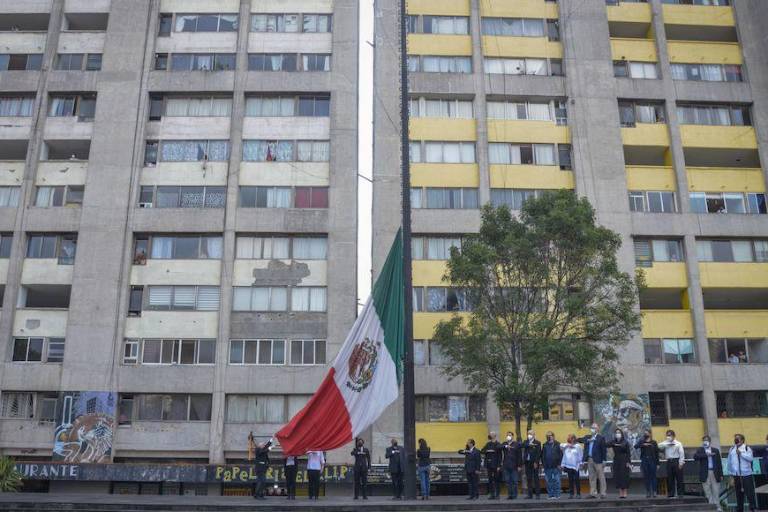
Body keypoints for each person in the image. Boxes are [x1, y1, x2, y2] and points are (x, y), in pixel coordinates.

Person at [728, 434, 757, 512]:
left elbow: (750, 458)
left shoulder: (747, 448)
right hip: (736, 475)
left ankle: (753, 508)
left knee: (749, 492)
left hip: (746, 474)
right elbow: (730, 462)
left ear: (742, 440)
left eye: (738, 438)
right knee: (738, 493)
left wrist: (741, 454)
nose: (736, 440)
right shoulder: (732, 449)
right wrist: (731, 475)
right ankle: (740, 509)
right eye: (735, 438)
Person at [694, 435, 722, 512]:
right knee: (707, 491)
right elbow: (695, 457)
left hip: (714, 472)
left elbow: (719, 463)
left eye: (707, 440)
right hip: (705, 473)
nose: (705, 441)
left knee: (716, 491)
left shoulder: (715, 450)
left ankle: (717, 507)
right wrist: (706, 455)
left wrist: (721, 474)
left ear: (710, 441)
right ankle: (711, 507)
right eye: (704, 440)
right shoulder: (700, 450)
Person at [579, 423, 607, 499]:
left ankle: (603, 493)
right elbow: (579, 440)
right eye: (592, 427)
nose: (593, 429)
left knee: (601, 476)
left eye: (594, 428)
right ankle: (593, 493)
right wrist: (588, 440)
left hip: (598, 460)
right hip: (589, 459)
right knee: (591, 477)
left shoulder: (601, 438)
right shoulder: (588, 437)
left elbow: (604, 450)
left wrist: (604, 460)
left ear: (598, 429)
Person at [658, 429, 685, 499]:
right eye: (667, 435)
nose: (668, 437)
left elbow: (681, 453)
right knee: (670, 478)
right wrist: (667, 444)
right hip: (669, 461)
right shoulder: (665, 443)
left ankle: (680, 493)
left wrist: (681, 463)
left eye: (670, 435)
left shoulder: (678, 443)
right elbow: (658, 446)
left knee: (679, 478)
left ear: (673, 436)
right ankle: (671, 494)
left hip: (676, 461)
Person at [634, 430, 659, 498]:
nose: (646, 434)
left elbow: (657, 453)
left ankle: (654, 491)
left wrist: (658, 463)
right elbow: (635, 446)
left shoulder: (654, 442)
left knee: (653, 476)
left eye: (647, 433)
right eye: (645, 433)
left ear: (650, 434)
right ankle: (648, 491)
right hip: (644, 460)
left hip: (652, 460)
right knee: (646, 477)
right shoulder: (642, 441)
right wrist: (643, 444)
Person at [607, 428, 631, 499]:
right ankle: (620, 492)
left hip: (624, 460)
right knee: (618, 476)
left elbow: (628, 453)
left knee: (624, 476)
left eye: (619, 433)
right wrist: (612, 443)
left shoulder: (625, 442)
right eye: (616, 433)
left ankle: (625, 492)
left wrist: (628, 462)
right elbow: (606, 444)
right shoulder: (613, 441)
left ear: (621, 434)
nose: (618, 434)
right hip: (616, 460)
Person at [561, 434, 583, 499]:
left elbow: (581, 455)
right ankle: (571, 494)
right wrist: (568, 445)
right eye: (570, 438)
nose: (571, 440)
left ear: (574, 439)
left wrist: (581, 463)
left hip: (576, 465)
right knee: (570, 480)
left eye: (572, 438)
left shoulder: (578, 446)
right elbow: (561, 446)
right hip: (568, 466)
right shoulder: (566, 446)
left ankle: (578, 494)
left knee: (577, 479)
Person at [542, 431, 563, 500]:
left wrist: (559, 464)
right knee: (548, 481)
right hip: (547, 466)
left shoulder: (558, 444)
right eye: (547, 436)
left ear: (553, 436)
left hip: (556, 466)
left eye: (550, 435)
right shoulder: (544, 445)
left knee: (557, 481)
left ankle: (557, 494)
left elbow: (561, 455)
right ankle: (551, 495)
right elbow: (543, 456)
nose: (549, 437)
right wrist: (544, 464)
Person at [501, 431, 522, 500]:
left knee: (515, 481)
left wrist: (519, 465)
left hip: (514, 466)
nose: (508, 436)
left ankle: (514, 495)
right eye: (507, 435)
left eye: (510, 435)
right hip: (506, 465)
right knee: (508, 481)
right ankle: (510, 495)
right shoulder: (504, 443)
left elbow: (519, 455)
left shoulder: (516, 444)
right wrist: (505, 446)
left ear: (513, 436)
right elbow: (498, 447)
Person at [481, 432, 502, 499]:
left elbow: (500, 456)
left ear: (494, 436)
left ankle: (497, 494)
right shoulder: (488, 444)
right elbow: (482, 451)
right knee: (490, 480)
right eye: (490, 434)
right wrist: (487, 451)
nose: (490, 435)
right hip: (489, 464)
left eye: (491, 434)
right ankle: (492, 494)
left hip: (495, 464)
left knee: (496, 480)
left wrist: (499, 465)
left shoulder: (498, 444)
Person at [522, 429, 542, 499]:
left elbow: (538, 453)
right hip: (527, 462)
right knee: (529, 479)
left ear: (534, 435)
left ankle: (537, 494)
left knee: (536, 479)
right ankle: (530, 495)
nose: (529, 435)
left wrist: (536, 462)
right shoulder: (525, 442)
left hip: (534, 463)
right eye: (528, 434)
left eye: (530, 434)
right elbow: (522, 445)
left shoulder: (537, 442)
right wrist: (529, 444)